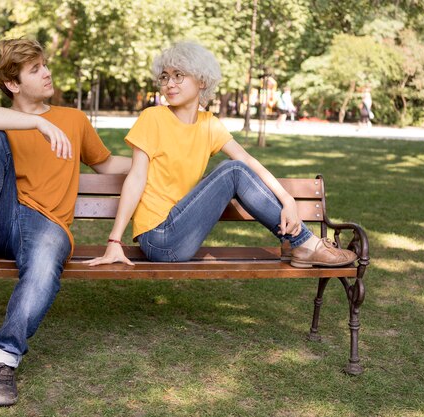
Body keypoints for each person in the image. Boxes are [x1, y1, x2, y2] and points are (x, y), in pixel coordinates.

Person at [0, 37, 131, 407]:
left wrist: (155, 165)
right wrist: (37, 124)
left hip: (46, 225)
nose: (47, 72)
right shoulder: (2, 120)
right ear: (12, 84)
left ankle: (3, 360)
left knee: (46, 259)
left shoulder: (74, 119)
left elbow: (108, 165)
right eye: (36, 69)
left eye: (45, 64)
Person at [85, 41, 357, 272]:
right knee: (232, 170)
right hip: (159, 238)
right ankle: (306, 244)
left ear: (201, 80)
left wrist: (288, 199)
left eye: (179, 75)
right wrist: (114, 241)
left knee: (237, 167)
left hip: (181, 232)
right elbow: (136, 177)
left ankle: (303, 244)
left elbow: (250, 161)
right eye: (165, 76)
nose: (169, 83)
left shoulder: (209, 124)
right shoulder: (153, 117)